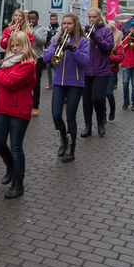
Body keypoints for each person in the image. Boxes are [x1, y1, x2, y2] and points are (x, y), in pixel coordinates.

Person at [0, 31, 36, 198]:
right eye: (13, 46)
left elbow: (10, 83)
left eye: (19, 46)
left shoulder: (28, 65)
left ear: (25, 47)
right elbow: (0, 86)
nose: (16, 49)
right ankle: (10, 166)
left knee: (16, 147)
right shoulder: (7, 64)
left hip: (19, 110)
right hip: (3, 108)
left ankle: (18, 182)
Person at [44, 13, 89, 163]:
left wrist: (72, 49)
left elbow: (85, 62)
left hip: (75, 83)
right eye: (64, 23)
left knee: (70, 117)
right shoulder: (58, 39)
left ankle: (71, 150)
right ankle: (63, 141)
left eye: (69, 23)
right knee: (56, 115)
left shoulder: (82, 41)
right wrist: (55, 46)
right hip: (58, 82)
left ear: (75, 25)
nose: (66, 26)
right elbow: (46, 58)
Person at [81, 8, 114, 138]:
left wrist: (95, 36)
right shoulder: (85, 31)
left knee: (98, 97)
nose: (92, 19)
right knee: (87, 99)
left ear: (99, 17)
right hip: (87, 69)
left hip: (102, 70)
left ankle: (100, 121)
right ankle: (88, 126)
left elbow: (108, 48)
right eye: (90, 17)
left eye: (94, 17)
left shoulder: (106, 31)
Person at [28, 10, 48, 117]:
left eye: (33, 19)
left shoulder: (42, 29)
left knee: (36, 83)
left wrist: (32, 31)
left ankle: (35, 106)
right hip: (26, 59)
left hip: (38, 59)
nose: (31, 21)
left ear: (37, 19)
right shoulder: (25, 28)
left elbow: (42, 41)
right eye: (29, 19)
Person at [105, 23, 125, 121]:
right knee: (100, 95)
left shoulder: (118, 44)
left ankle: (112, 110)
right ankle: (103, 115)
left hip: (112, 71)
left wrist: (108, 58)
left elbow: (120, 57)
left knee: (108, 93)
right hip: (101, 72)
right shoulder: (102, 42)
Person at [45, 13, 60, 90]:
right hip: (49, 49)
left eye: (54, 19)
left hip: (56, 50)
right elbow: (46, 39)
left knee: (55, 66)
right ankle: (50, 82)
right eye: (52, 19)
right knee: (48, 67)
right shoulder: (48, 28)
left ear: (57, 19)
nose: (53, 21)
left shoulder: (60, 28)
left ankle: (56, 81)